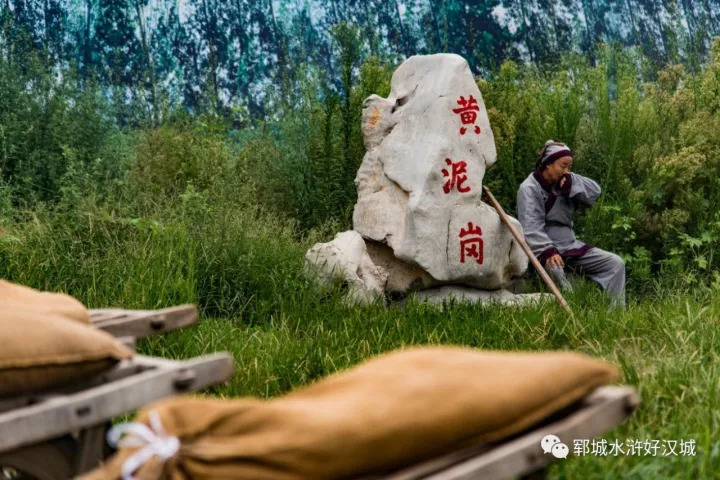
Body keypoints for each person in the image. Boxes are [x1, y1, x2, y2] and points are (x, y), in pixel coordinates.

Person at [516, 140, 626, 307]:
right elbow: (531, 227)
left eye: (570, 166)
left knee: (615, 263)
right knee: (555, 267)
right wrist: (548, 251)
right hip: (544, 248)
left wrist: (572, 183)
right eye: (563, 166)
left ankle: (616, 313)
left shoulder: (566, 181)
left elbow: (595, 192)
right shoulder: (529, 188)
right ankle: (572, 311)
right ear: (548, 164)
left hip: (569, 244)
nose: (567, 171)